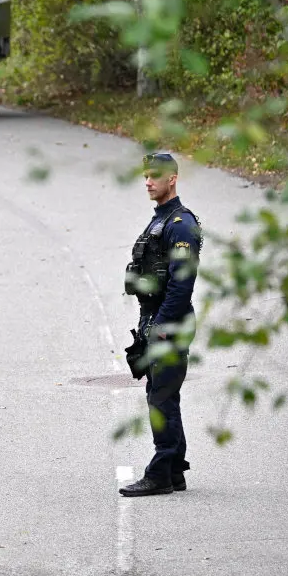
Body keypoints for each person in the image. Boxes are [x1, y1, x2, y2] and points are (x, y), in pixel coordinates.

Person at [120, 153, 203, 497]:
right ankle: (174, 470)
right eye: (146, 176)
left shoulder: (181, 224)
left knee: (161, 397)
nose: (148, 182)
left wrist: (164, 325)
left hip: (169, 321)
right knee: (163, 393)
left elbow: (182, 283)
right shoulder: (161, 220)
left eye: (156, 176)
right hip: (154, 317)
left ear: (173, 179)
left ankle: (159, 474)